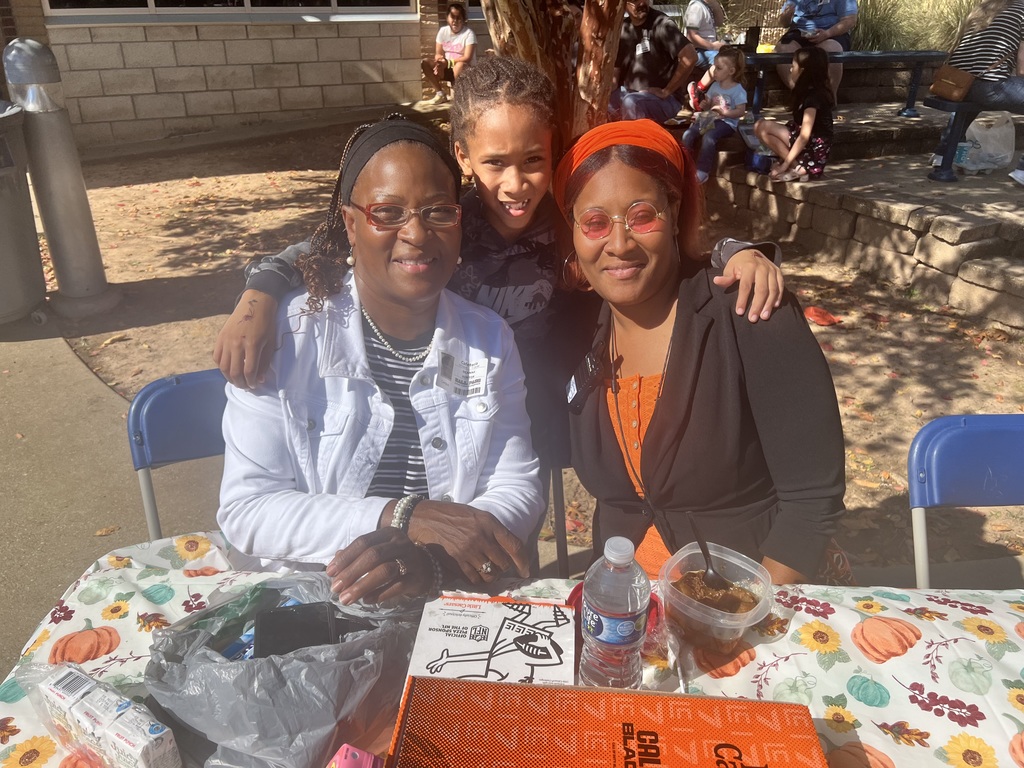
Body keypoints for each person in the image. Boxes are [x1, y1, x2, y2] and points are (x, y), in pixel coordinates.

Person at [213, 57, 785, 572]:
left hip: (524, 427)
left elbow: (651, 241)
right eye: (495, 164)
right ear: (463, 158)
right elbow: (330, 249)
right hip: (468, 418)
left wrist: (734, 252)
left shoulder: (572, 226)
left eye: (534, 160)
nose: (516, 184)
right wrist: (262, 290)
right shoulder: (443, 220)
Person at [218, 115, 546, 605]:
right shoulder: (287, 337)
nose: (416, 234)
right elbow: (248, 509)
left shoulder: (489, 338)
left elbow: (515, 481)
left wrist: (436, 560)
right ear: (351, 224)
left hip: (448, 598)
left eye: (438, 212)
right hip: (318, 605)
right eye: (387, 213)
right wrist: (401, 515)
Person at [552, 120, 849, 586]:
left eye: (641, 215)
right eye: (594, 222)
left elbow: (812, 503)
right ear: (572, 230)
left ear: (674, 210)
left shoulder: (749, 311)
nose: (619, 243)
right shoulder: (577, 328)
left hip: (755, 597)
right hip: (627, 611)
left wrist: (743, 614)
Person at [935, 0, 1024, 186]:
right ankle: (1022, 171)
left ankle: (942, 154)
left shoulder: (984, 8)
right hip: (987, 86)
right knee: (985, 91)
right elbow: (1022, 69)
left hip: (958, 83)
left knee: (971, 100)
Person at [753, 46, 834, 182]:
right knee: (759, 126)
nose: (790, 69)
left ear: (803, 71)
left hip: (814, 147)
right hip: (805, 139)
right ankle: (796, 166)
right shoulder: (806, 93)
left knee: (762, 127)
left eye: (793, 66)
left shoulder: (814, 98)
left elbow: (804, 136)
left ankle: (796, 167)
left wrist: (783, 165)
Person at [611, 0, 699, 122]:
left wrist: (666, 91)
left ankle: (635, 140)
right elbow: (615, 78)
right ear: (623, 5)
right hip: (629, 93)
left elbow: (690, 56)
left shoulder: (662, 23)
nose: (642, 3)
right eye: (635, 0)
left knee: (631, 102)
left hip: (665, 100)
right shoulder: (623, 29)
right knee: (605, 99)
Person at [682, 46, 747, 183]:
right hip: (711, 117)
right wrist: (706, 105)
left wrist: (725, 112)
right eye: (714, 66)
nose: (714, 71)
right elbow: (710, 103)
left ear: (731, 71)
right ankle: (684, 164)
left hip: (727, 122)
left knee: (709, 137)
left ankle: (702, 171)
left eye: (718, 68)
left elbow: (741, 111)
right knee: (688, 133)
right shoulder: (715, 86)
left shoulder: (738, 90)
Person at [774, 0, 858, 106]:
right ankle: (801, 96)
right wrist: (786, 15)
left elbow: (850, 20)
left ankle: (828, 100)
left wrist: (827, 33)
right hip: (799, 32)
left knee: (831, 49)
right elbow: (784, 23)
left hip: (832, 32)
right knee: (783, 48)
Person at [422, 2, 476, 104]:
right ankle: (440, 94)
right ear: (447, 18)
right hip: (446, 67)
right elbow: (438, 53)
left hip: (465, 69)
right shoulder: (443, 31)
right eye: (452, 17)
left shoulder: (469, 33)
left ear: (463, 20)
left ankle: (460, 97)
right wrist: (439, 63)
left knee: (459, 65)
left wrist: (448, 63)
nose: (455, 21)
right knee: (425, 63)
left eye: (458, 18)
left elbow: (467, 57)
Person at [682, 0, 727, 111]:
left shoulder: (706, 6)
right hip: (696, 51)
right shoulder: (696, 7)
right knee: (722, 62)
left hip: (707, 50)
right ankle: (697, 90)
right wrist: (712, 46)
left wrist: (715, 4)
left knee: (730, 59)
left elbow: (721, 22)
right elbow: (691, 37)